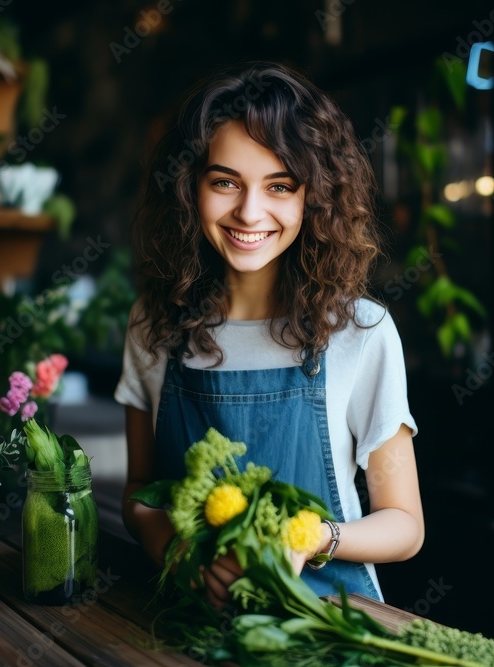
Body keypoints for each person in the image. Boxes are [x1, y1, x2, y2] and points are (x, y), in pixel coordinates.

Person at [116, 62, 422, 605]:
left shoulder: (361, 332)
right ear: (191, 188)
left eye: (279, 186)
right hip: (183, 623)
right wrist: (176, 551)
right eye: (225, 182)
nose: (250, 212)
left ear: (315, 197)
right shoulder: (153, 325)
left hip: (327, 621)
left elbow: (403, 524)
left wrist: (312, 538)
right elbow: (141, 492)